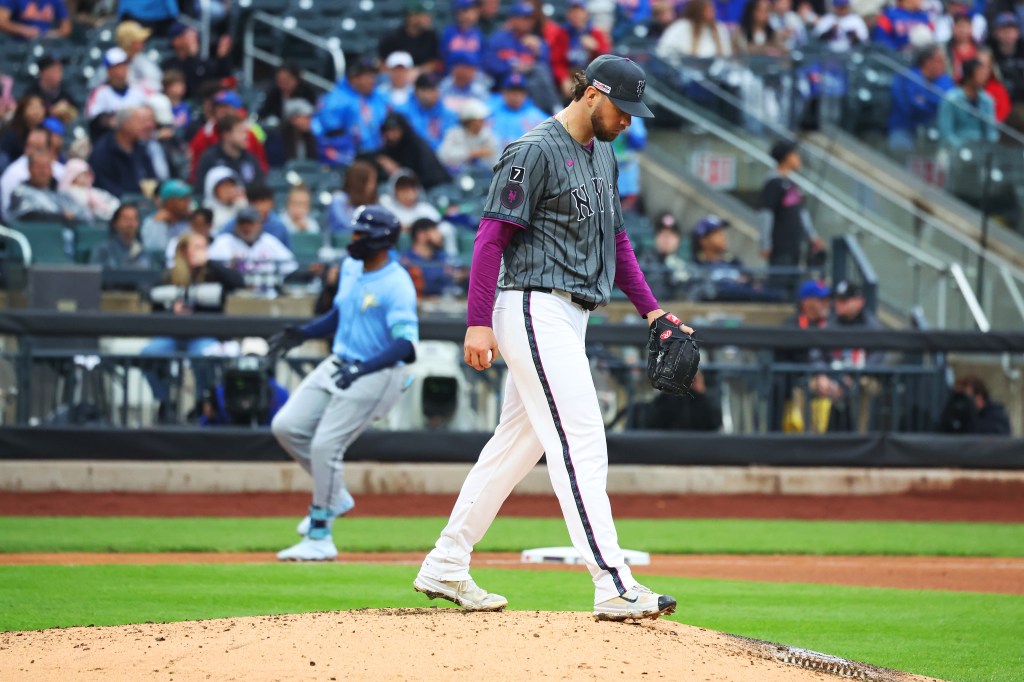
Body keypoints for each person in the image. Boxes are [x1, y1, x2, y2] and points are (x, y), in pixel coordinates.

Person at [415, 55, 686, 621]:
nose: (627, 121)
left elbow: (617, 243)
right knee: (582, 439)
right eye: (622, 109)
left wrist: (653, 312)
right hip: (533, 305)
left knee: (516, 446)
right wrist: (477, 321)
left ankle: (446, 561)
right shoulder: (533, 150)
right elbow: (489, 240)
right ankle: (612, 582)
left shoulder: (604, 153)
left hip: (570, 313)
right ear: (592, 94)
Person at [268, 205, 419, 561]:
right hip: (341, 361)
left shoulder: (397, 284)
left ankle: (320, 536)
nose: (353, 239)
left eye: (361, 234)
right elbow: (343, 311)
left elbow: (406, 346)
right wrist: (305, 333)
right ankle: (335, 495)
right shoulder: (351, 266)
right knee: (286, 426)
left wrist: (361, 370)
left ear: (381, 240)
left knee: (325, 445)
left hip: (379, 373)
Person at [142, 229, 245, 423]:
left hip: (203, 334)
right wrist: (172, 308)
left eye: (204, 247)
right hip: (172, 334)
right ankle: (165, 401)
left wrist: (210, 263)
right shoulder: (170, 275)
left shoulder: (213, 273)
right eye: (197, 247)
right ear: (183, 251)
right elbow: (148, 294)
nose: (202, 251)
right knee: (149, 354)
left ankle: (201, 402)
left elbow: (238, 282)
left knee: (205, 355)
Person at [758, 140, 823, 294]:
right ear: (786, 157)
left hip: (795, 246)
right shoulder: (773, 183)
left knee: (793, 288)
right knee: (778, 287)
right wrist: (765, 243)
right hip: (780, 246)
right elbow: (766, 214)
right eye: (795, 154)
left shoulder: (792, 185)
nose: (798, 158)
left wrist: (812, 236)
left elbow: (802, 213)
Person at [315, 57, 390, 157]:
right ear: (354, 78)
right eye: (367, 76)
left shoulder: (378, 96)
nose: (372, 80)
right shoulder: (335, 99)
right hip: (347, 156)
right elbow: (329, 133)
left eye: (373, 76)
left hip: (377, 152)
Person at [188, 91, 269, 182]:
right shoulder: (204, 134)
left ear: (236, 110)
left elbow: (261, 166)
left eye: (226, 107)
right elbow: (195, 171)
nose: (221, 111)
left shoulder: (249, 134)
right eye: (218, 107)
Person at [888, 45, 955, 149]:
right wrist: (931, 104)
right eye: (940, 61)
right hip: (904, 128)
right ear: (927, 61)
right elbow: (912, 106)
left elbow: (944, 103)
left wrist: (924, 99)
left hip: (932, 133)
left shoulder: (945, 81)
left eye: (944, 61)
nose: (944, 65)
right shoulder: (907, 77)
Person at [207, 206, 297, 279]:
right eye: (243, 223)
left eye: (251, 223)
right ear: (236, 224)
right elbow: (209, 266)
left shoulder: (269, 241)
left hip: (265, 292)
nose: (246, 227)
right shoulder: (223, 242)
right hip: (233, 292)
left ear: (259, 224)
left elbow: (290, 267)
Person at [87, 107, 156, 198]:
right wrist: (131, 199)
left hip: (142, 200)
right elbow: (102, 184)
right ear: (126, 124)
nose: (145, 126)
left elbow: (151, 177)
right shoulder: (103, 150)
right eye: (140, 122)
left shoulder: (140, 147)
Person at [376, 112, 452, 191]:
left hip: (436, 188)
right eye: (387, 131)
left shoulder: (415, 146)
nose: (390, 135)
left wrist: (399, 171)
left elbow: (427, 176)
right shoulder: (391, 147)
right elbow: (373, 155)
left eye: (394, 130)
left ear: (403, 130)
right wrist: (381, 160)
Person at [0, 128, 65, 220]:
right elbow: (7, 210)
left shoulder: (60, 170)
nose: (31, 151)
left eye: (38, 148)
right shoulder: (14, 172)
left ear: (49, 149)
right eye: (29, 146)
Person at [8, 150, 87, 224]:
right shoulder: (19, 192)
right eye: (39, 167)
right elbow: (29, 214)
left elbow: (85, 216)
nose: (43, 172)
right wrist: (62, 216)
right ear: (29, 168)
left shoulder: (61, 195)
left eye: (47, 167)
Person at [85, 48, 148, 138]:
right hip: (109, 139)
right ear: (108, 70)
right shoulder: (99, 92)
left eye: (123, 66)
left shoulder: (138, 90)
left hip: (137, 138)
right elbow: (93, 118)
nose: (120, 71)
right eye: (116, 67)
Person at [194, 114, 266, 191]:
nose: (245, 136)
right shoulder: (209, 158)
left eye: (245, 132)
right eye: (240, 132)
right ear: (226, 135)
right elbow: (201, 189)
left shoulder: (250, 159)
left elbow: (259, 188)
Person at [939, 58, 1000, 148]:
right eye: (980, 74)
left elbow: (991, 131)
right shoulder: (951, 99)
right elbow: (946, 132)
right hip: (957, 148)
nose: (984, 78)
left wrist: (991, 146)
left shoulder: (987, 101)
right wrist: (962, 149)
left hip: (981, 148)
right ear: (969, 76)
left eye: (985, 74)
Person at [160, 22, 232, 98]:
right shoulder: (167, 64)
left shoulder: (203, 63)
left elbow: (220, 78)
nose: (193, 38)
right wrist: (192, 56)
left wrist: (223, 58)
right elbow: (189, 87)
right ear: (176, 40)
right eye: (187, 35)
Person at [398, 73, 459, 152]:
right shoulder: (402, 112)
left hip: (441, 156)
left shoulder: (449, 114)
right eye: (429, 90)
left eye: (436, 89)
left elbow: (452, 142)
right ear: (418, 91)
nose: (434, 93)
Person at [643, 371, 722, 431]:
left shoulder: (702, 402)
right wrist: (666, 391)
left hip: (698, 443)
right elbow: (651, 422)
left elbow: (716, 423)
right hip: (671, 443)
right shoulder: (667, 401)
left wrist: (701, 392)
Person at [490, 72, 549, 153]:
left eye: (519, 92)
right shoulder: (489, 110)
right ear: (503, 92)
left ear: (525, 94)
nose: (516, 96)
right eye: (512, 92)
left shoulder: (537, 116)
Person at [656, 0, 733, 61]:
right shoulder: (680, 27)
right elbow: (663, 51)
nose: (712, 13)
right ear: (697, 11)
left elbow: (727, 54)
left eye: (712, 10)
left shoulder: (719, 28)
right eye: (707, 10)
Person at [638, 212, 691, 302]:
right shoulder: (644, 262)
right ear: (655, 238)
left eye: (671, 235)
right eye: (662, 234)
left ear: (678, 240)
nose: (666, 239)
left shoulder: (684, 266)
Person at [400, 217, 458, 297]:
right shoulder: (406, 260)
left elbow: (458, 272)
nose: (439, 235)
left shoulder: (442, 255)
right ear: (421, 235)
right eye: (434, 231)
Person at [936, 375, 1012, 435]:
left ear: (980, 398)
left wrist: (971, 415)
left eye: (966, 398)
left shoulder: (996, 417)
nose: (963, 403)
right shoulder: (956, 416)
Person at [438, 99, 498, 173]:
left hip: (482, 175)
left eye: (483, 120)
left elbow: (496, 160)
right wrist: (472, 153)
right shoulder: (454, 134)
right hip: (457, 175)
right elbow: (443, 156)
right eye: (479, 120)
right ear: (469, 121)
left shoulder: (488, 135)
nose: (482, 123)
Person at [377, 1, 441, 70]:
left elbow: (436, 63)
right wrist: (399, 74)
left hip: (423, 75)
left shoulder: (431, 37)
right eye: (425, 15)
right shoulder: (392, 38)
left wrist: (416, 71)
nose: (429, 18)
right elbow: (380, 63)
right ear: (412, 17)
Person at [89, 203, 152, 268]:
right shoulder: (103, 251)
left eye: (134, 219)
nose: (130, 223)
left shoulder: (144, 252)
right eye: (126, 219)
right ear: (115, 223)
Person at [59, 158, 121, 224]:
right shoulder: (65, 193)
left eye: (87, 174)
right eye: (82, 174)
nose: (86, 177)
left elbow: (111, 204)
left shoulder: (93, 192)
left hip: (98, 222)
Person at [990, 13, 1024, 128]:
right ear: (996, 32)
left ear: (1018, 32)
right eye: (1004, 29)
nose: (1008, 33)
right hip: (999, 101)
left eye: (1012, 29)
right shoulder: (989, 52)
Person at [141, 179, 193, 251]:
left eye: (188, 198)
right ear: (169, 202)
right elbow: (155, 250)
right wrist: (158, 224)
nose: (188, 202)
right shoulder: (152, 222)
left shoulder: (191, 221)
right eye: (183, 199)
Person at [328, 160, 379, 233]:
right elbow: (343, 226)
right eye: (370, 181)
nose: (373, 186)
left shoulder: (373, 202)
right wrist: (369, 229)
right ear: (359, 182)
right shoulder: (339, 199)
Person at [25, 55, 79, 123]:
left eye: (60, 70)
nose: (59, 73)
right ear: (43, 72)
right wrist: (50, 112)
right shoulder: (31, 93)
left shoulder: (65, 93)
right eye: (54, 70)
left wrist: (67, 110)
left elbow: (77, 114)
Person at [113, 20, 163, 93]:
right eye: (138, 40)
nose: (143, 42)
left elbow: (157, 85)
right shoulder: (113, 62)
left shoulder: (143, 59)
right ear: (128, 42)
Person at [439, 51, 492, 117]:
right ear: (457, 69)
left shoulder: (478, 89)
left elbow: (485, 113)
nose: (474, 72)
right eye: (470, 68)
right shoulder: (444, 86)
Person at [0, 94, 46, 162]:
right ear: (22, 110)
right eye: (33, 107)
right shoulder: (12, 133)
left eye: (40, 107)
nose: (37, 112)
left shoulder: (46, 132)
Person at [441, 0, 485, 69]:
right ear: (458, 13)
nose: (475, 12)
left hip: (474, 73)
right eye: (466, 11)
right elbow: (443, 57)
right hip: (452, 72)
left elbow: (482, 60)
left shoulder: (479, 34)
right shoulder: (449, 32)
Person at [0, 0, 70, 40]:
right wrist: (23, 30)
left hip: (44, 44)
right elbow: (1, 22)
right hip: (15, 43)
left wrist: (46, 34)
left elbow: (66, 29)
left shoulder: (56, 1)